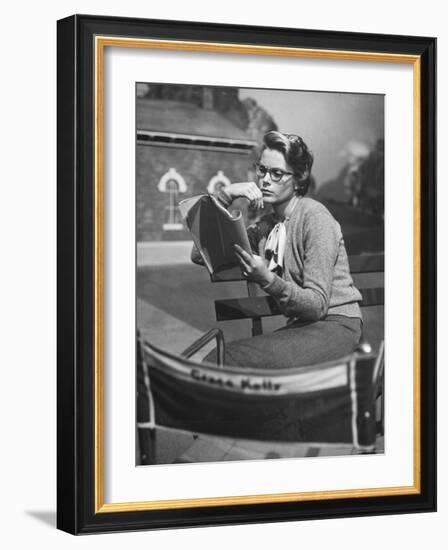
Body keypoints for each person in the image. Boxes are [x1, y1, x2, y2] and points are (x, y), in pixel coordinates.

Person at [194, 131, 363, 369]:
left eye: (277, 173)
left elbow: (317, 306)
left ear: (299, 177)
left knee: (225, 359)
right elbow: (200, 254)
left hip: (337, 326)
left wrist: (266, 278)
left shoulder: (314, 217)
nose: (265, 180)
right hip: (303, 329)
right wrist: (225, 195)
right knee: (222, 358)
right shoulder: (265, 228)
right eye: (262, 170)